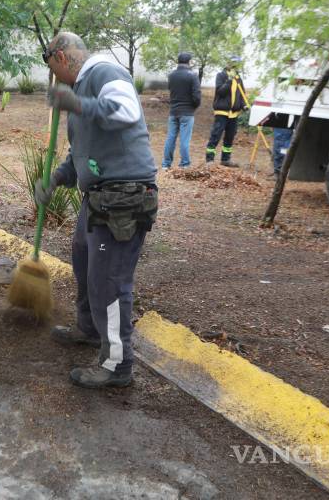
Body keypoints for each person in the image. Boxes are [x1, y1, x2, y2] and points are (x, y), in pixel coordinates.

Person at [35, 32, 158, 389]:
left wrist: (76, 103)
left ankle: (118, 365)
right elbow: (79, 155)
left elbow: (126, 111)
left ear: (60, 56)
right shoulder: (82, 90)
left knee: (109, 281)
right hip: (99, 199)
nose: (56, 80)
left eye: (53, 70)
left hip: (124, 198)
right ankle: (90, 329)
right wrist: (56, 180)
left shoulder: (104, 72)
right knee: (84, 261)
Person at [205, 55, 249, 167]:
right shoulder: (221, 75)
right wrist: (229, 80)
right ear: (228, 64)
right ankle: (209, 160)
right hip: (222, 112)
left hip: (234, 114)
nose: (236, 67)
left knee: (230, 136)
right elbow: (220, 92)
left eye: (238, 65)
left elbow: (241, 94)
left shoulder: (238, 78)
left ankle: (225, 159)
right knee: (216, 135)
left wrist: (244, 105)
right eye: (234, 64)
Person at [162, 51, 201, 169]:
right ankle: (185, 164)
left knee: (170, 138)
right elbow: (197, 96)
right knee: (184, 139)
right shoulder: (193, 76)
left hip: (173, 111)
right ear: (189, 62)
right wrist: (194, 107)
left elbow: (171, 91)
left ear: (178, 61)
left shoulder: (171, 75)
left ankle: (166, 164)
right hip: (187, 112)